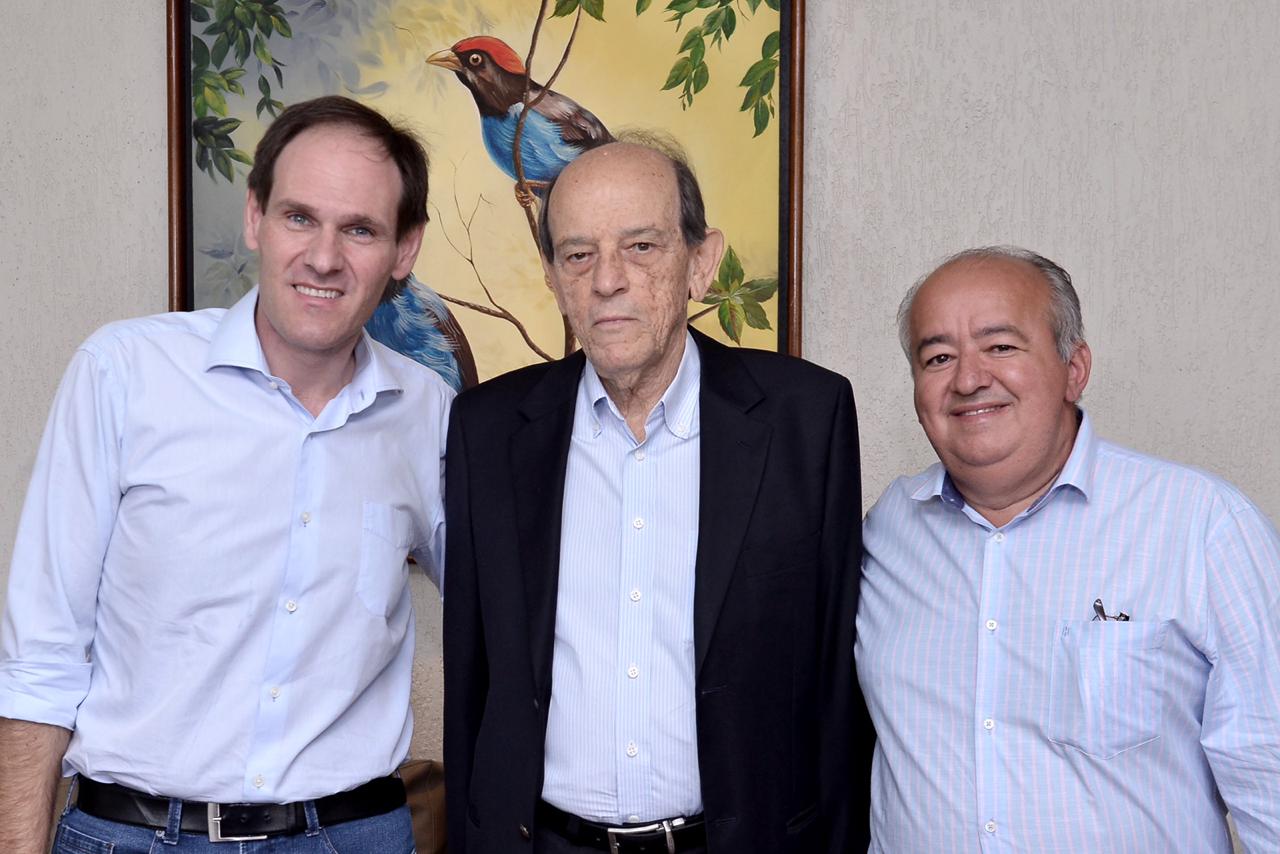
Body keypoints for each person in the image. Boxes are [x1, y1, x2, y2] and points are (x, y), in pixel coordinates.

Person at [0, 96, 451, 853]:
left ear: (404, 250)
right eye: (299, 217)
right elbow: (40, 656)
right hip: (131, 836)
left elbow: (512, 615)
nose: (323, 258)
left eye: (360, 229)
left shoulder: (429, 411)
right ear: (255, 218)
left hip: (349, 837)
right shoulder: (123, 373)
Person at [443, 138, 872, 853]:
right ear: (552, 277)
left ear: (701, 262)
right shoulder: (488, 429)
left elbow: (834, 678)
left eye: (641, 246)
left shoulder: (805, 417)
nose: (607, 280)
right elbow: (472, 677)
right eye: (578, 254)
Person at [857, 246, 1280, 852]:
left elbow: (1269, 769)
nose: (968, 379)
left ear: (1074, 368)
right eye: (938, 357)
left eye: (1001, 346)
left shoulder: (1201, 525)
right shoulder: (886, 532)